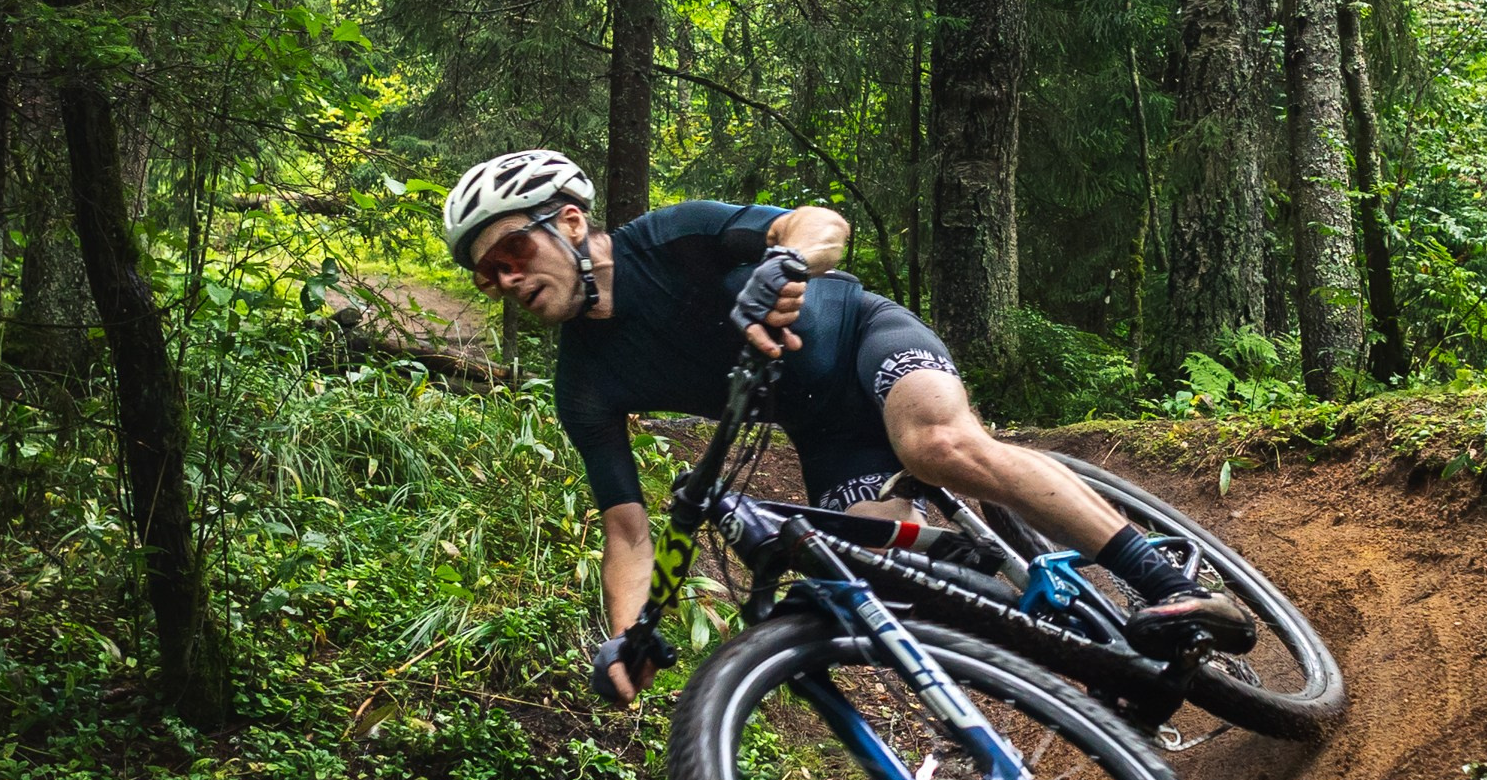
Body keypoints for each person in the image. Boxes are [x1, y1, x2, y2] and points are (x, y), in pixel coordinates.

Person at [442, 149, 1255, 703]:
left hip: (868, 339)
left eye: (512, 249)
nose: (505, 278)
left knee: (936, 445)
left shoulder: (669, 238)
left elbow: (818, 221)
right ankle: (1074, 654)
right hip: (825, 433)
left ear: (570, 222)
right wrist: (630, 636)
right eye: (486, 274)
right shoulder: (583, 383)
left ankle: (1171, 584)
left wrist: (786, 260)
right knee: (889, 579)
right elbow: (627, 530)